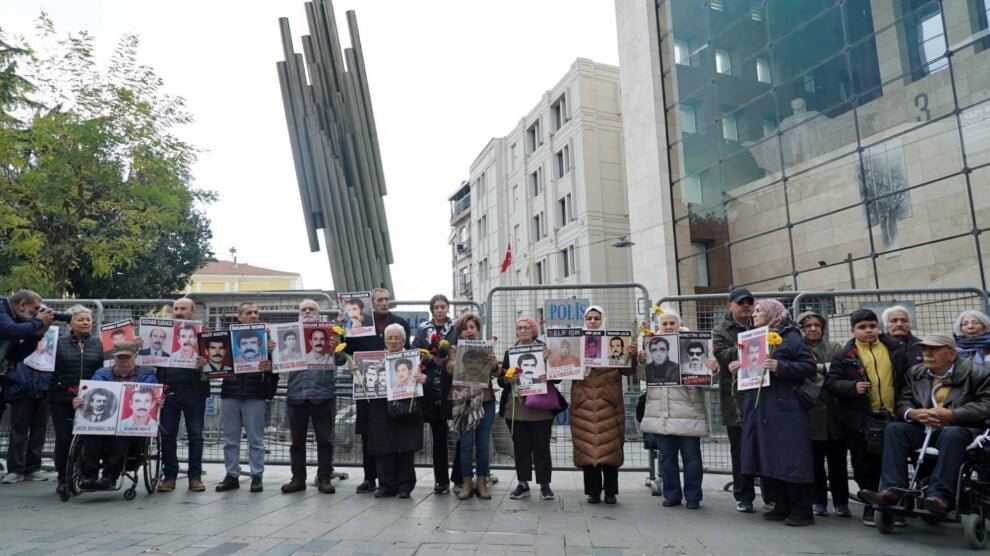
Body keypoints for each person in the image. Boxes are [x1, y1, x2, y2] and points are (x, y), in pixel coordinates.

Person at [860, 333, 990, 516]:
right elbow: (902, 402)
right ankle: (892, 490)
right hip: (923, 428)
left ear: (951, 354)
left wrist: (952, 414)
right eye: (925, 349)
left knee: (951, 434)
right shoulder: (915, 373)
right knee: (895, 429)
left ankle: (938, 496)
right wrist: (913, 413)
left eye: (934, 350)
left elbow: (986, 405)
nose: (926, 353)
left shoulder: (978, 374)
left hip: (959, 429)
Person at [825, 308, 907, 526]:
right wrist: (852, 387)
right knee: (863, 463)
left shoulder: (894, 349)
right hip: (858, 419)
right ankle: (871, 505)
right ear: (852, 330)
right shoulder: (844, 356)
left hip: (891, 416)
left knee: (891, 463)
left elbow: (904, 379)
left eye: (872, 326)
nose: (869, 331)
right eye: (862, 327)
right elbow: (831, 382)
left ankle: (893, 505)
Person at [738, 299, 817, 526]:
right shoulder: (755, 337)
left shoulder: (791, 337)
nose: (754, 314)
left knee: (792, 457)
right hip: (762, 406)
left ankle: (802, 510)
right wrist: (739, 366)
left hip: (785, 408)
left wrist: (780, 367)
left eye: (759, 311)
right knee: (771, 456)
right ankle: (781, 504)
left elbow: (808, 366)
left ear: (773, 313)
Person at [639, 311, 712, 509]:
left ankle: (693, 496)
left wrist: (711, 369)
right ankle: (671, 495)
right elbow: (641, 376)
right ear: (659, 327)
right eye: (665, 324)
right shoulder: (654, 346)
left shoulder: (694, 347)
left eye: (673, 323)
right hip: (662, 411)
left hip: (688, 411)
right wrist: (641, 360)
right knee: (666, 458)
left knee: (691, 458)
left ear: (680, 325)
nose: (669, 326)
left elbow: (706, 379)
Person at [342, 288, 409, 494]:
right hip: (367, 386)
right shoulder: (359, 325)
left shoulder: (400, 322)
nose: (384, 302)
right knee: (367, 432)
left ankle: (394, 480)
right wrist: (351, 363)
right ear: (371, 303)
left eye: (387, 299)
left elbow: (407, 349)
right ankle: (369, 477)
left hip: (392, 387)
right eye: (379, 299)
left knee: (392, 432)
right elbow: (348, 349)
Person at [571, 305, 638, 505]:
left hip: (609, 402)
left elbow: (628, 372)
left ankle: (610, 492)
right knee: (586, 448)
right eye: (589, 318)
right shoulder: (576, 342)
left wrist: (632, 356)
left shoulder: (613, 342)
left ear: (603, 320)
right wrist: (551, 357)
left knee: (611, 448)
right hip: (583, 402)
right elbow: (562, 369)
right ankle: (592, 491)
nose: (593, 321)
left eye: (596, 318)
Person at [73, 341, 159, 489]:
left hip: (128, 426)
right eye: (120, 358)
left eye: (128, 357)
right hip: (104, 422)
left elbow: (152, 396)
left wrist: (158, 401)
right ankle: (89, 475)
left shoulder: (147, 376)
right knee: (90, 435)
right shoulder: (101, 374)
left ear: (135, 356)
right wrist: (82, 399)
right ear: (114, 358)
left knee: (121, 436)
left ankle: (110, 475)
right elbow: (93, 392)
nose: (124, 361)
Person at [216, 302, 278, 493]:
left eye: (256, 312)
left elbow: (276, 368)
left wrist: (271, 360)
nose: (253, 315)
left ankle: (257, 475)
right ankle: (232, 475)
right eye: (249, 312)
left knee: (256, 439)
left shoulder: (267, 339)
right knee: (230, 439)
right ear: (239, 317)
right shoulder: (226, 339)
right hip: (230, 393)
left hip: (255, 393)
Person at [282, 298, 339, 495]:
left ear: (318, 313)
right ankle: (298, 478)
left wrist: (336, 346)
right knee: (296, 441)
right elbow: (276, 361)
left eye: (311, 309)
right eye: (303, 309)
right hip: (296, 393)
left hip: (323, 394)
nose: (307, 311)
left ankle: (324, 478)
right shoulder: (289, 336)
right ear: (299, 313)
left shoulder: (330, 335)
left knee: (325, 440)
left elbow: (340, 360)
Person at [796, 311, 849, 518]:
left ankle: (841, 502)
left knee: (838, 462)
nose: (812, 329)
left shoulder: (834, 347)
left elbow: (838, 369)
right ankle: (819, 500)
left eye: (816, 325)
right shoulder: (799, 349)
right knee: (815, 463)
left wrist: (816, 369)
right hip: (811, 415)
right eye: (807, 326)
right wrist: (822, 370)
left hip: (835, 414)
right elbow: (800, 372)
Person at [154, 298, 211, 493]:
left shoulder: (205, 334)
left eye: (183, 308)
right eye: (176, 308)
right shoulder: (163, 335)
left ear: (193, 312)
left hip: (195, 391)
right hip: (169, 391)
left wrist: (206, 364)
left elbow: (219, 366)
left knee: (195, 435)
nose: (178, 311)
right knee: (167, 435)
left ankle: (195, 477)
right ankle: (169, 476)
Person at [499, 316, 557, 501]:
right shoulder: (511, 352)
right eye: (519, 328)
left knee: (542, 447)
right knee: (521, 448)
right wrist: (508, 380)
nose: (523, 330)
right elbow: (502, 379)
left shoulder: (546, 350)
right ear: (516, 332)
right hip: (516, 408)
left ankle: (545, 485)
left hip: (541, 407)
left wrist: (548, 372)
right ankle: (523, 484)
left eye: (526, 327)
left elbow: (558, 377)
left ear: (534, 330)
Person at [48, 305, 104, 494]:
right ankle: (63, 478)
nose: (86, 322)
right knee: (64, 439)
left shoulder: (98, 343)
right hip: (61, 397)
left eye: (88, 319)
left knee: (88, 439)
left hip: (89, 399)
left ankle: (84, 474)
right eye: (81, 319)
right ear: (70, 324)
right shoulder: (57, 342)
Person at [0, 290, 54, 483]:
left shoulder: (18, 320)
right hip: (20, 387)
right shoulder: (1, 309)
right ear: (22, 305)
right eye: (36, 310)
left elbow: (16, 355)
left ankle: (30, 468)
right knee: (18, 429)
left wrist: (37, 335)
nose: (38, 314)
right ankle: (15, 468)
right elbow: (11, 332)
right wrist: (38, 322)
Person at [367, 323, 425, 498]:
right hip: (381, 408)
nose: (393, 341)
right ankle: (385, 485)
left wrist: (423, 378)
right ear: (384, 341)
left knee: (405, 447)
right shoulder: (375, 360)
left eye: (396, 338)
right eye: (389, 338)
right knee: (383, 446)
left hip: (407, 407)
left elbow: (424, 382)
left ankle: (405, 486)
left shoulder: (416, 359)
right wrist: (357, 372)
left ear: (404, 340)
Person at [447, 312, 500, 500]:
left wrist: (494, 365)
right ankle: (466, 482)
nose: (468, 331)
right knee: (466, 444)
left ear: (477, 329)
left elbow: (497, 372)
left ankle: (483, 482)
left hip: (485, 399)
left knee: (483, 443)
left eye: (472, 327)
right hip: (463, 401)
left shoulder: (486, 347)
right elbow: (450, 369)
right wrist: (459, 358)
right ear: (460, 332)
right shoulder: (454, 349)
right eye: (464, 328)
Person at [712, 287, 756, 512]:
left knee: (764, 448)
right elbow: (723, 356)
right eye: (741, 303)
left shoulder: (761, 324)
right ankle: (744, 495)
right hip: (735, 398)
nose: (746, 306)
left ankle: (771, 494)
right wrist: (752, 343)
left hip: (761, 396)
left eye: (749, 302)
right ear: (730, 305)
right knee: (740, 451)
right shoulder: (720, 330)